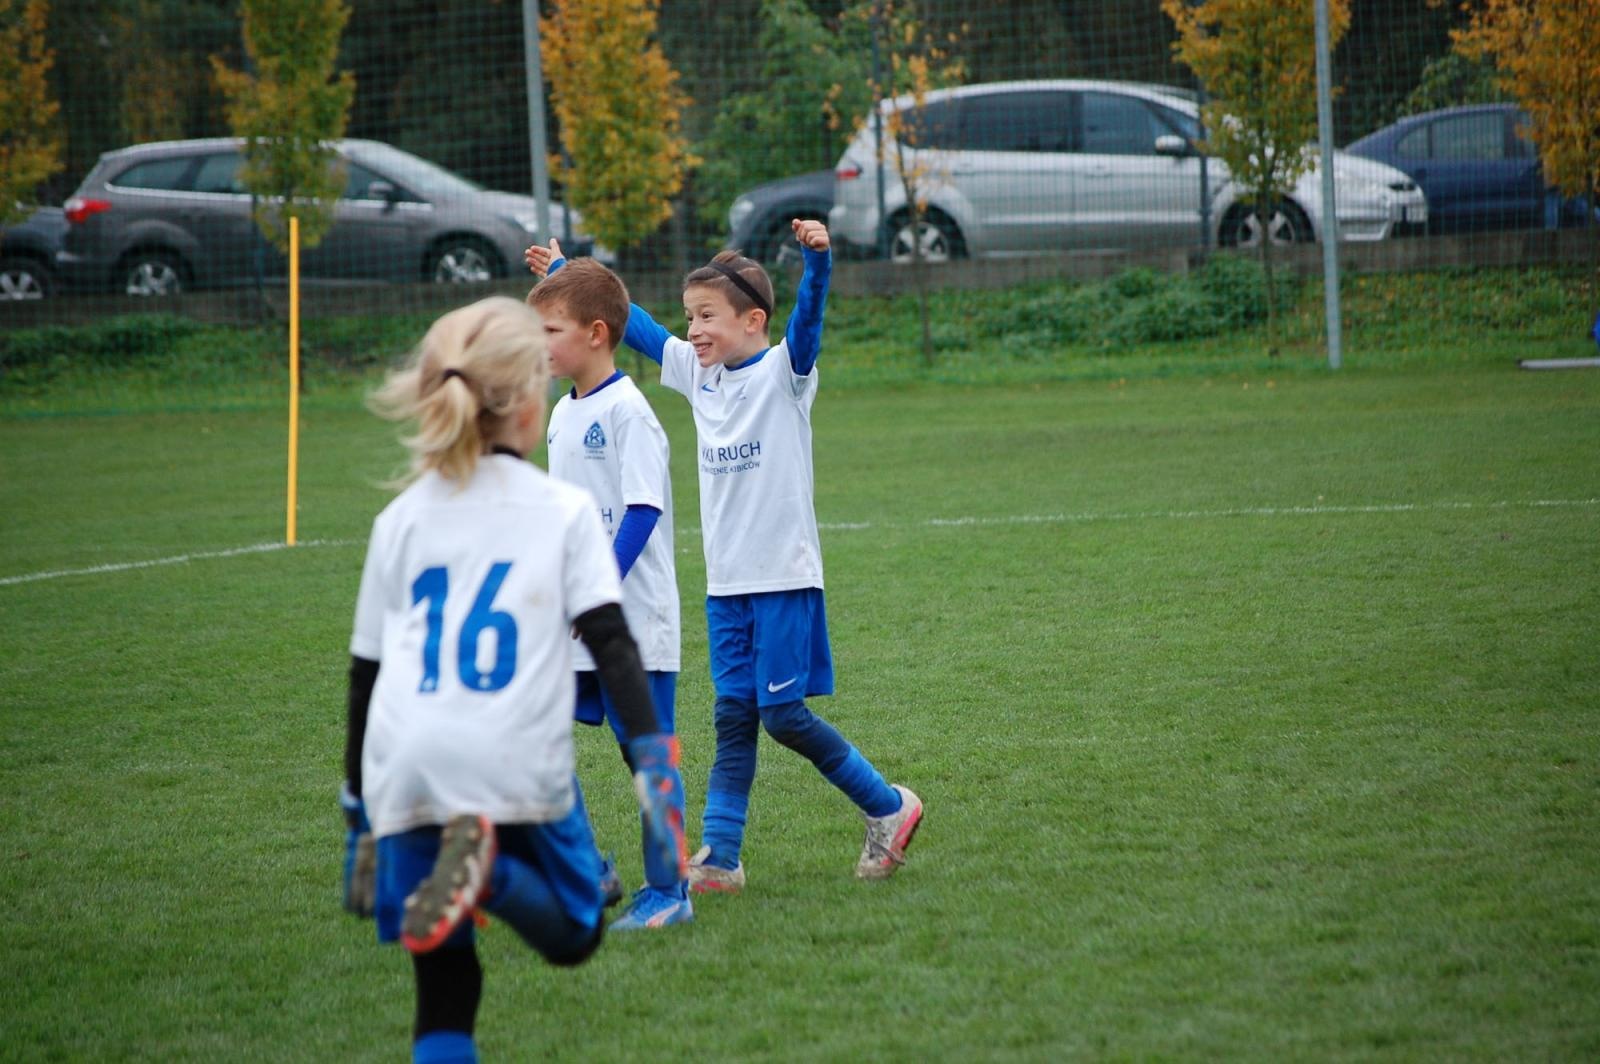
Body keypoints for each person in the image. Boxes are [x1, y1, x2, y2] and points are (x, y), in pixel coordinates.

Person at [526, 220, 922, 892]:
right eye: (690, 317)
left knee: (783, 716)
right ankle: (721, 856)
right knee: (733, 715)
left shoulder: (785, 374)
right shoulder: (699, 375)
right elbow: (634, 327)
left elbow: (809, 323)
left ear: (753, 320)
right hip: (726, 587)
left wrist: (818, 263)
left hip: (784, 577)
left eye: (706, 316)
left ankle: (888, 806)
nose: (694, 330)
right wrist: (566, 277)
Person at [338, 296, 685, 1064]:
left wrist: (357, 809)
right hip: (508, 760)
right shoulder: (561, 512)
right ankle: (486, 871)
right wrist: (656, 772)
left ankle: (464, 877)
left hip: (406, 767)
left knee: (445, 984)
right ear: (529, 406)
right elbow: (613, 646)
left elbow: (366, 675)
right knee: (577, 930)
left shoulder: (400, 520)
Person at [527, 258, 692, 929]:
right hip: (574, 616)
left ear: (596, 334)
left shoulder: (629, 412)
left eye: (551, 330)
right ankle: (587, 870)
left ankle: (670, 893)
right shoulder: (561, 414)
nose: (538, 343)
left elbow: (642, 510)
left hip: (633, 621)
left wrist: (594, 589)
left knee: (647, 754)